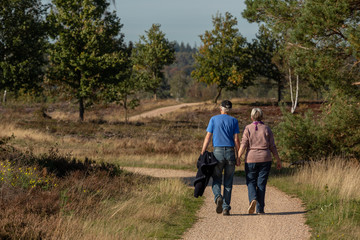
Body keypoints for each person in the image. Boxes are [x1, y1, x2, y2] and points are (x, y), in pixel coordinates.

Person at [237, 108, 281, 214]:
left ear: (251, 117)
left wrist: (238, 157)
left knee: (251, 181)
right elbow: (272, 146)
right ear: (262, 117)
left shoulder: (248, 128)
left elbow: (243, 144)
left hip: (251, 158)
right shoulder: (267, 129)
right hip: (265, 158)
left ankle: (253, 199)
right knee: (261, 184)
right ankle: (260, 209)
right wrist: (278, 159)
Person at [201, 100, 240, 216]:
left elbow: (208, 137)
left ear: (220, 108)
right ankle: (226, 208)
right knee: (228, 181)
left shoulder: (213, 119)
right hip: (230, 152)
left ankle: (218, 196)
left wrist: (203, 151)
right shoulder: (234, 121)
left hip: (217, 152)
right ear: (230, 109)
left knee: (216, 178)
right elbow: (236, 140)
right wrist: (239, 156)